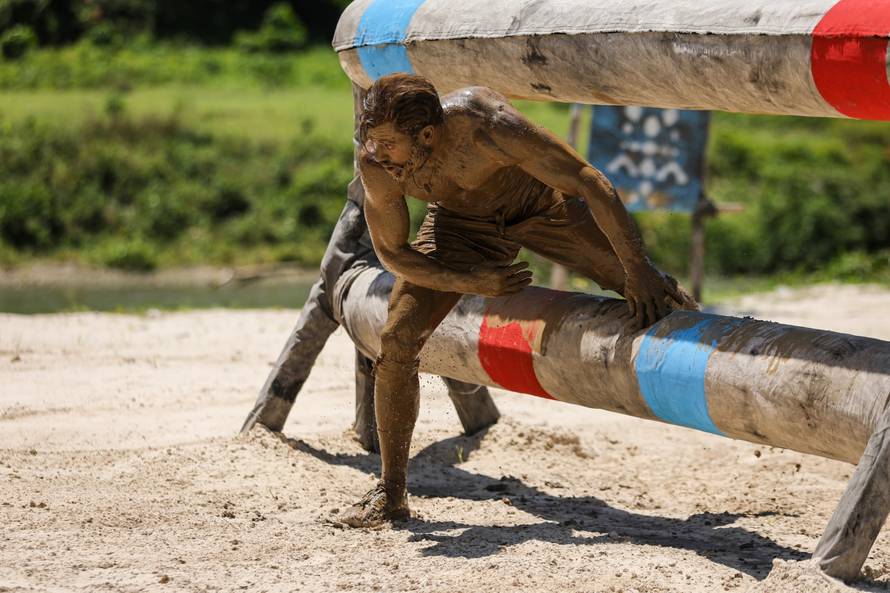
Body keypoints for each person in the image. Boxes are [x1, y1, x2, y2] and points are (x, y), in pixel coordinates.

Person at [337, 73, 696, 527]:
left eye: (389, 143)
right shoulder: (376, 163)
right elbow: (392, 253)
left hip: (543, 208)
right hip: (459, 228)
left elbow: (588, 180)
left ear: (427, 134)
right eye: (372, 141)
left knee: (648, 293)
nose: (378, 154)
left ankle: (708, 349)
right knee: (398, 338)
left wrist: (638, 267)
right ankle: (390, 493)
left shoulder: (484, 122)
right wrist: (468, 279)